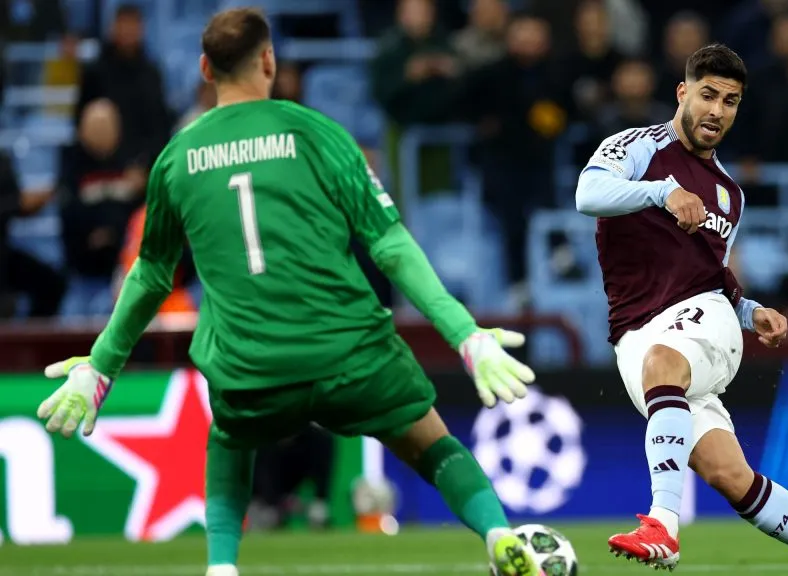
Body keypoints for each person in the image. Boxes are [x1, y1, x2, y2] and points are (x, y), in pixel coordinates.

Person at [34, 8, 543, 576]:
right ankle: (499, 533)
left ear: (205, 69)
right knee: (430, 441)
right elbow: (390, 244)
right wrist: (464, 334)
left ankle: (221, 566)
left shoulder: (176, 159)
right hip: (349, 354)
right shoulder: (316, 132)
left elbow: (151, 275)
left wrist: (101, 367)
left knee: (229, 436)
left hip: (252, 367)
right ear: (269, 61)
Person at [574, 43, 788, 576]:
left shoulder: (728, 194)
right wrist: (660, 193)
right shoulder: (637, 148)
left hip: (695, 323)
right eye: (708, 95)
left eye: (730, 101)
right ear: (682, 93)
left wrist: (747, 312)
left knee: (663, 361)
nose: (717, 111)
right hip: (634, 335)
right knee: (731, 477)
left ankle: (662, 525)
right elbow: (587, 194)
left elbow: (710, 278)